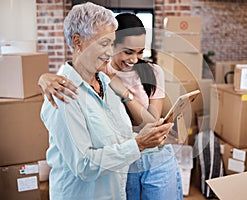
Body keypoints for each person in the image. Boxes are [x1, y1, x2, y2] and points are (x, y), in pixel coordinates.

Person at [39, 12, 183, 200]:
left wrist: (152, 142)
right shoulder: (63, 93)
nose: (109, 52)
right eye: (104, 43)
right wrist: (139, 144)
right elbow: (84, 165)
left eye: (111, 43)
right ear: (77, 41)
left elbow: (119, 135)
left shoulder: (104, 83)